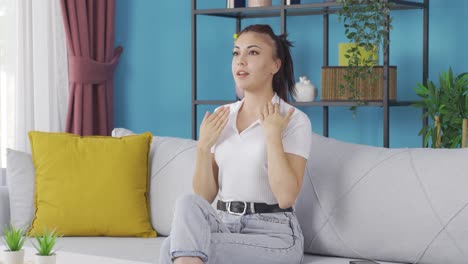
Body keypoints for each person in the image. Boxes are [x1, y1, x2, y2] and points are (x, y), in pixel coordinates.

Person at [159, 24, 312, 264]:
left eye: (252, 53)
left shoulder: (293, 119)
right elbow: (203, 196)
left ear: (275, 65)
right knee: (187, 203)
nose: (241, 60)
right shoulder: (223, 115)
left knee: (175, 249)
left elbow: (286, 197)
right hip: (225, 224)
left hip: (275, 234)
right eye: (236, 52)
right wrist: (203, 147)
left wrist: (272, 136)